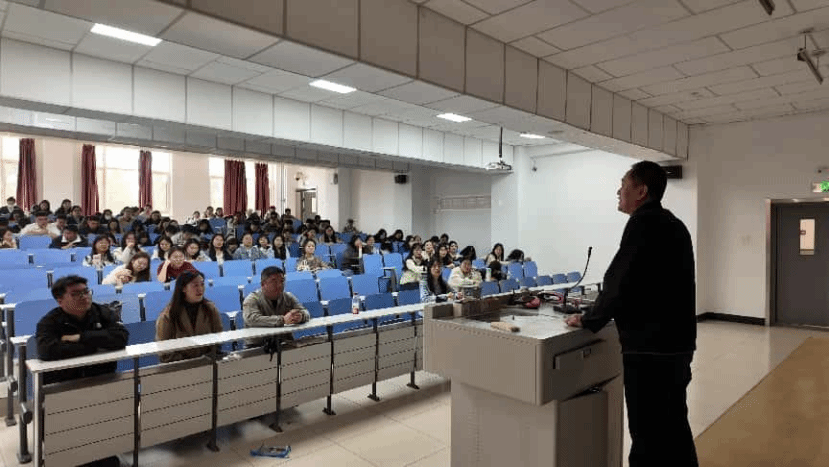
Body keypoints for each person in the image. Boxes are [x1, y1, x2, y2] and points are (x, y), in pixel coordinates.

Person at [564, 161, 698, 467]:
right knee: (675, 428)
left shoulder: (642, 223)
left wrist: (589, 318)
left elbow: (618, 281)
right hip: (678, 346)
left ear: (641, 191)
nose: (618, 191)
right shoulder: (675, 225)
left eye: (623, 184)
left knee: (647, 434)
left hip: (650, 350)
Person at [35, 275, 129, 383]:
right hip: (62, 384)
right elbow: (47, 351)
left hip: (103, 379)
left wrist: (80, 337)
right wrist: (95, 346)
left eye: (86, 291)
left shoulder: (102, 312)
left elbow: (121, 337)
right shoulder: (48, 322)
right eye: (75, 294)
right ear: (60, 301)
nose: (84, 297)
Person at [155, 271, 223, 363]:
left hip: (208, 362)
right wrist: (190, 362)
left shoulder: (210, 309)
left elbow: (218, 338)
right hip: (180, 366)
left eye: (202, 284)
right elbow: (164, 351)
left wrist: (208, 358)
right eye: (195, 285)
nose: (200, 289)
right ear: (183, 288)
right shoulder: (168, 315)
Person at [242, 266, 311, 347]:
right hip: (258, 346)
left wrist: (300, 316)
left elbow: (305, 312)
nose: (279, 285)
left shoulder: (288, 296)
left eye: (282, 281)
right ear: (263, 284)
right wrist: (282, 320)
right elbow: (252, 319)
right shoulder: (253, 298)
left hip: (285, 343)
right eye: (274, 282)